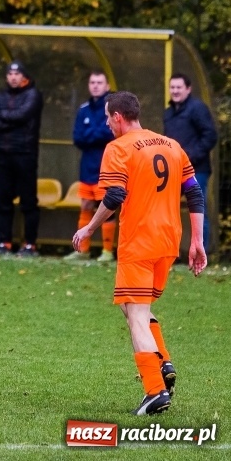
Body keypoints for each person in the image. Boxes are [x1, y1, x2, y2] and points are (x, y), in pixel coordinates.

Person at [73, 91, 206, 416]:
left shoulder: (118, 148)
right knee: (134, 306)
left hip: (139, 242)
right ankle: (163, 361)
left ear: (118, 117)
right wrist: (197, 241)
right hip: (168, 242)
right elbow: (194, 191)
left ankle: (155, 391)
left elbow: (114, 196)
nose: (107, 123)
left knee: (135, 316)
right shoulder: (171, 145)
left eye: (108, 117)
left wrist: (88, 229)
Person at [0, 60, 44, 256]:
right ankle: (5, 243)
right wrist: (11, 120)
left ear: (24, 76)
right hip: (2, 154)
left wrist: (2, 117)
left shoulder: (33, 94)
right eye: (10, 74)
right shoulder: (0, 96)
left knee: (28, 201)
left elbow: (23, 115)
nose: (13, 77)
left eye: (17, 74)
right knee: (2, 200)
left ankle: (29, 245)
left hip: (25, 153)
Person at [64, 71, 117, 262]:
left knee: (107, 207)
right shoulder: (83, 109)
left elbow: (110, 133)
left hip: (106, 165)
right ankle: (82, 250)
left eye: (99, 82)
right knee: (85, 205)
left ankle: (107, 251)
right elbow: (78, 138)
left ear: (107, 86)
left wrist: (91, 134)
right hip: (87, 166)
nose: (95, 85)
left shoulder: (112, 108)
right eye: (92, 82)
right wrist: (96, 134)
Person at [163, 72, 217, 251]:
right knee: (167, 210)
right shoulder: (168, 113)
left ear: (188, 89)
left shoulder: (197, 108)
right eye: (172, 87)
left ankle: (202, 253)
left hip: (196, 170)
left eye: (179, 87)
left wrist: (190, 156)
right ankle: (169, 252)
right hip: (173, 171)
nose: (175, 91)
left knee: (197, 210)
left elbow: (210, 136)